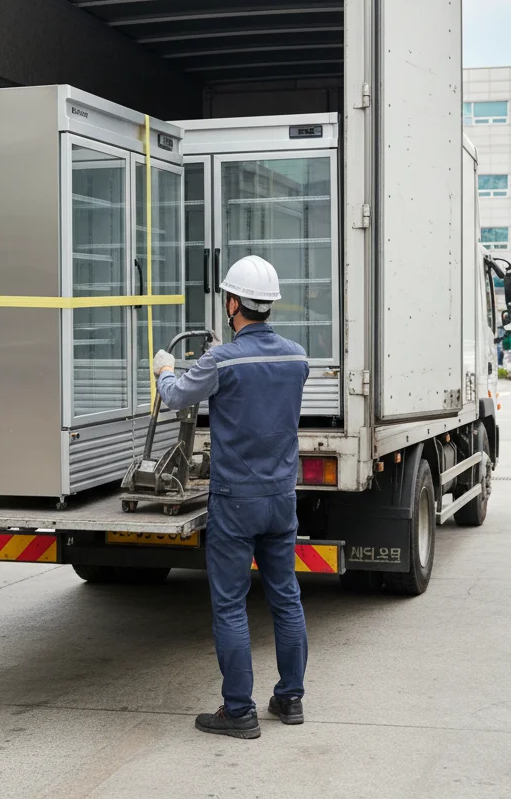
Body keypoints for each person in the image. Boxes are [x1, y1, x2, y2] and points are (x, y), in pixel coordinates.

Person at [153, 255, 309, 740]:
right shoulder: (296, 356)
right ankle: (290, 699)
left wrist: (163, 369)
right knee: (286, 599)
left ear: (233, 302)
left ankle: (238, 711)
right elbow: (260, 383)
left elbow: (178, 396)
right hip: (281, 496)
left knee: (230, 605)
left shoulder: (220, 361)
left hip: (235, 499)